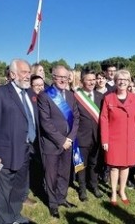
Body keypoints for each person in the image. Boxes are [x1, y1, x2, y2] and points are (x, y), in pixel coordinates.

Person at [0, 59, 39, 224]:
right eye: (24, 72)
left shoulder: (30, 93)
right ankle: (5, 220)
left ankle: (15, 215)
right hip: (6, 152)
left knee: (19, 187)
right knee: (4, 190)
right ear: (13, 74)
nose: (28, 76)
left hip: (26, 150)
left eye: (29, 72)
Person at [37, 65, 80, 218]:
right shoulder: (45, 95)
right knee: (51, 175)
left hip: (68, 142)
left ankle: (62, 198)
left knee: (64, 173)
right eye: (59, 76)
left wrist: (70, 138)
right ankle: (52, 204)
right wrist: (62, 140)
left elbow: (76, 118)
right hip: (52, 143)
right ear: (53, 77)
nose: (62, 79)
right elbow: (45, 122)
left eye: (65, 77)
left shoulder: (70, 95)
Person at [100, 69, 135, 205]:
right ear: (115, 81)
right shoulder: (108, 98)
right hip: (114, 139)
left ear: (129, 82)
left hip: (129, 139)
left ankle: (122, 190)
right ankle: (113, 192)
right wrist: (105, 140)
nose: (122, 82)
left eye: (125, 80)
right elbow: (104, 120)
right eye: (120, 79)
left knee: (125, 166)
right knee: (114, 167)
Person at [73, 71, 104, 201]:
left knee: (94, 163)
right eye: (88, 80)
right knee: (81, 165)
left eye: (93, 79)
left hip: (97, 137)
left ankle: (94, 185)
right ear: (82, 82)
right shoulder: (76, 96)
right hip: (81, 137)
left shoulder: (100, 96)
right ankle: (82, 188)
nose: (92, 82)